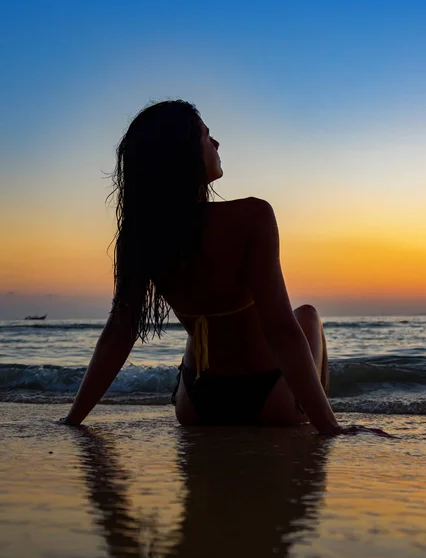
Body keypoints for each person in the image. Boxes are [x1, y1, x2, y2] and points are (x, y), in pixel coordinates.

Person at [60, 100, 384, 436]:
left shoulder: (142, 235)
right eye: (206, 136)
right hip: (272, 401)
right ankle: (316, 415)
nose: (216, 144)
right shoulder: (252, 216)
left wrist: (72, 420)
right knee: (306, 315)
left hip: (198, 407)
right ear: (184, 153)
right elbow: (280, 329)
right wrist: (332, 429)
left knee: (199, 332)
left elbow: (119, 333)